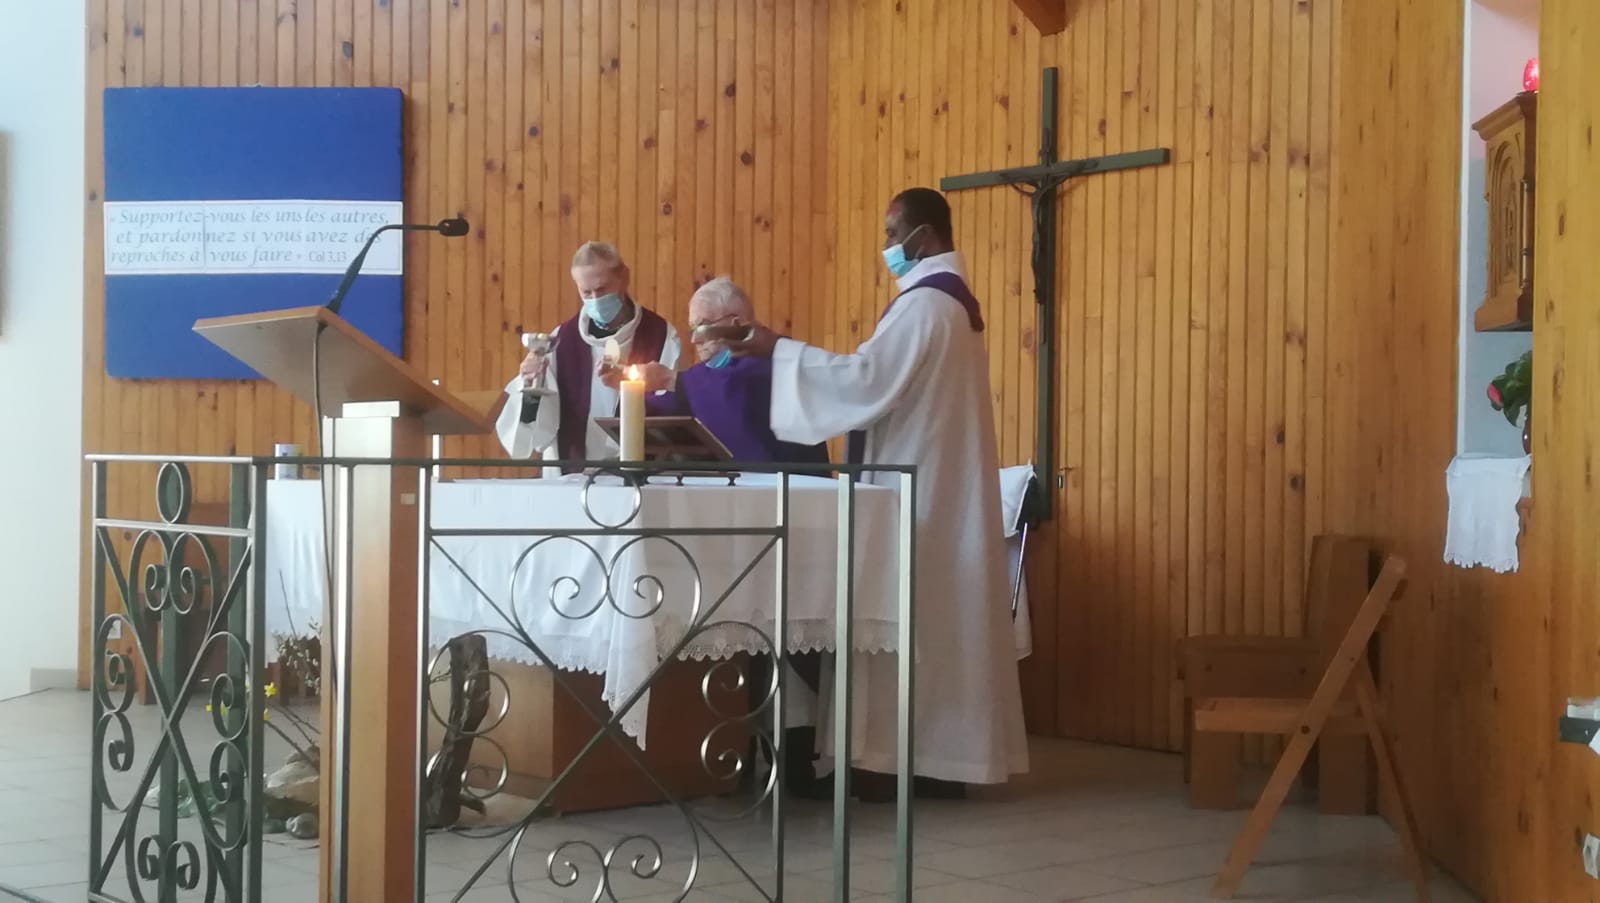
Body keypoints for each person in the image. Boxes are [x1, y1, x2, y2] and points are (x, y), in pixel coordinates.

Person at [727, 187, 1030, 801]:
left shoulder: (926, 307)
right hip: (935, 483)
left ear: (926, 235)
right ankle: (937, 761)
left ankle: (900, 761)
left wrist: (776, 348)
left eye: (894, 234)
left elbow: (866, 379)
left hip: (917, 491)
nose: (888, 246)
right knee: (936, 625)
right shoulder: (947, 304)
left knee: (911, 622)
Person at [635, 276, 832, 795]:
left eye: (703, 327)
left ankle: (794, 758)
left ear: (737, 323)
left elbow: (730, 397)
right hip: (742, 526)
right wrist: (639, 397)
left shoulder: (768, 369)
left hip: (795, 520)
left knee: (791, 634)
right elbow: (680, 411)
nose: (696, 340)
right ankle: (743, 752)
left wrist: (671, 383)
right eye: (692, 329)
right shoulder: (707, 378)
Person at [495, 242, 681, 472]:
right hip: (571, 477)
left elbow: (672, 409)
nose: (595, 299)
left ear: (624, 278)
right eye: (586, 293)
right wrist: (531, 386)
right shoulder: (561, 340)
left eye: (601, 290)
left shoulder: (661, 335)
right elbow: (534, 435)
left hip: (639, 474)